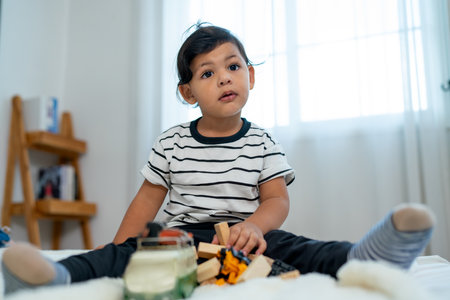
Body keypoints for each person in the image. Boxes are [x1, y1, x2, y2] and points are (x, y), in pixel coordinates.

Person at [2, 24, 435, 295]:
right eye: (207, 73)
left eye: (232, 66)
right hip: (182, 240)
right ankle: (52, 277)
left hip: (244, 239)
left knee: (300, 248)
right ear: (188, 93)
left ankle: (369, 257)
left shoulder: (262, 141)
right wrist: (120, 246)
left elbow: (276, 201)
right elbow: (145, 203)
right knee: (122, 254)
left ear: (250, 75)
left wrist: (255, 226)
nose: (224, 77)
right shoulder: (171, 142)